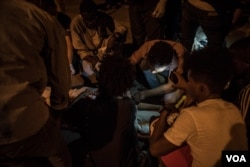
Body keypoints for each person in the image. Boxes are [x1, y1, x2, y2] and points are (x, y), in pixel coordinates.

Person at [0, 0, 71, 166]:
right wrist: (57, 109)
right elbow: (61, 79)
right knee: (60, 156)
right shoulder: (39, 18)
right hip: (22, 120)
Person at [150, 47, 248, 167]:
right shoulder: (234, 110)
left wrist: (165, 111)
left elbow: (155, 149)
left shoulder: (192, 116)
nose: (188, 84)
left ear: (202, 88)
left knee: (155, 126)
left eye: (190, 81)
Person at [63, 55, 138, 166]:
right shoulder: (128, 106)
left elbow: (66, 119)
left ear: (99, 77)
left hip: (95, 160)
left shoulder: (86, 105)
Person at [70, 0, 127, 85]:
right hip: (89, 53)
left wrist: (115, 36)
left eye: (92, 19)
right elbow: (80, 50)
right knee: (89, 72)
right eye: (86, 20)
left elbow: (122, 28)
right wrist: (95, 61)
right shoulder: (75, 23)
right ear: (82, 16)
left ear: (96, 15)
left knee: (116, 43)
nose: (90, 22)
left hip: (104, 48)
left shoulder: (101, 16)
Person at [130, 40, 187, 105]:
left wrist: (145, 93)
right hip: (164, 66)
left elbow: (173, 85)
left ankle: (157, 92)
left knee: (168, 100)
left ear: (168, 65)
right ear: (146, 56)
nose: (152, 71)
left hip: (182, 77)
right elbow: (130, 63)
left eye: (154, 70)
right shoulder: (147, 47)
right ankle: (156, 89)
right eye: (150, 67)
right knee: (143, 65)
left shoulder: (178, 61)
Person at [223, 37, 250, 149]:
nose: (229, 63)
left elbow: (243, 130)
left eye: (233, 59)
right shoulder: (239, 79)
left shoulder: (248, 92)